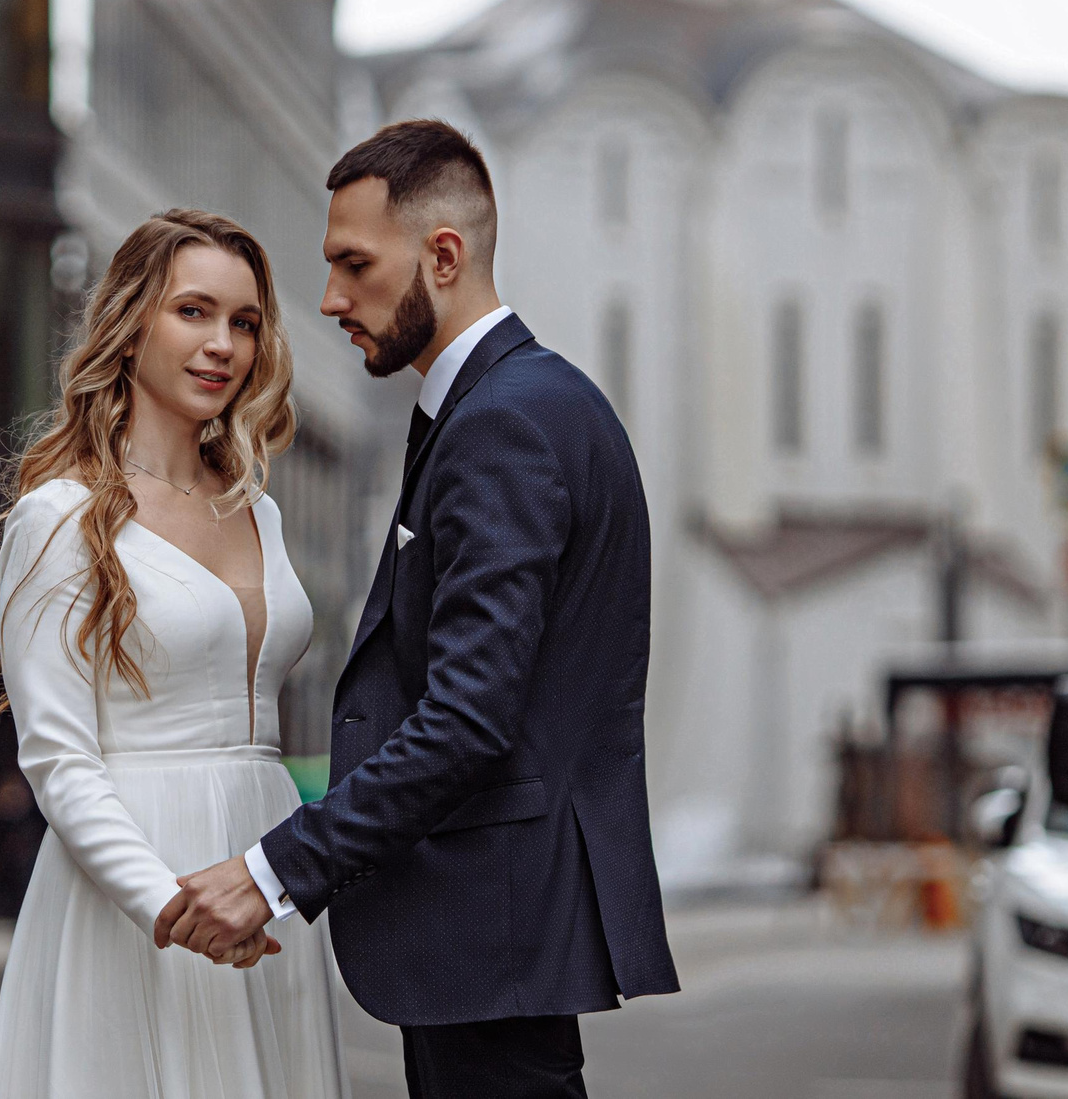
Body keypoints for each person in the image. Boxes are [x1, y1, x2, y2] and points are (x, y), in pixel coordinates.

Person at [157, 120, 680, 1099]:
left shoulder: (502, 425)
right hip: (496, 930)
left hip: (489, 926)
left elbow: (468, 718)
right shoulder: (528, 402)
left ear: (443, 256)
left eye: (354, 265)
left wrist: (272, 872)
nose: (329, 299)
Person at [0, 209, 348, 1099]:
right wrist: (171, 905)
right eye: (193, 311)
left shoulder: (261, 509)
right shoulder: (59, 516)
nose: (222, 344)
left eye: (244, 322)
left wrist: (270, 879)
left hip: (263, 862)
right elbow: (59, 759)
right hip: (141, 882)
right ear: (131, 321)